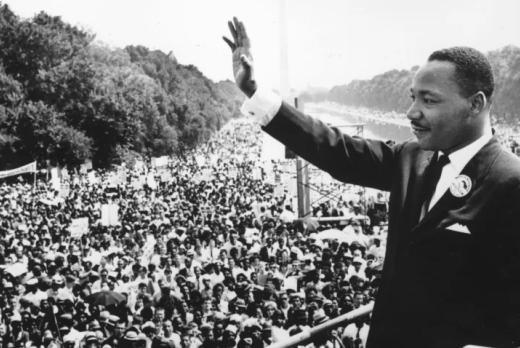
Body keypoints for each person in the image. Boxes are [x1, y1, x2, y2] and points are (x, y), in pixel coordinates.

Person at [223, 17, 520, 348]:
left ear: (475, 104)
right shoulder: (411, 158)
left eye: (429, 100)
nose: (411, 112)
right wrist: (254, 91)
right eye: (412, 97)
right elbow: (334, 149)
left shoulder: (511, 183)